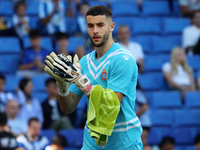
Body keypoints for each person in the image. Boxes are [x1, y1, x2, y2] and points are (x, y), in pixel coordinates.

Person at [44, 5, 143, 150]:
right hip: (92, 142)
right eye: (90, 26)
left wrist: (80, 81)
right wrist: (62, 86)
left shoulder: (123, 59)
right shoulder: (83, 62)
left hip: (124, 142)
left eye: (100, 25)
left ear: (111, 26)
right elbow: (68, 108)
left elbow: (111, 104)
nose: (95, 30)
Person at [135, 81, 151, 145]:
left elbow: (145, 107)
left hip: (143, 123)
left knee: (140, 144)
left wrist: (134, 116)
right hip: (140, 123)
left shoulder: (137, 93)